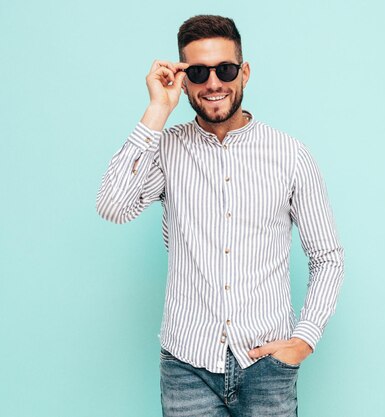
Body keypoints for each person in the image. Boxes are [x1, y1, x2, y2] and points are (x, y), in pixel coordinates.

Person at [96, 14, 344, 417]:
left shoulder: (290, 155)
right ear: (183, 79)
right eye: (198, 72)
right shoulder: (166, 149)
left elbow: (328, 256)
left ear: (244, 72)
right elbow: (113, 206)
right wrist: (158, 110)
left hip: (268, 367)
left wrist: (304, 339)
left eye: (225, 69)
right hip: (186, 365)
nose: (213, 83)